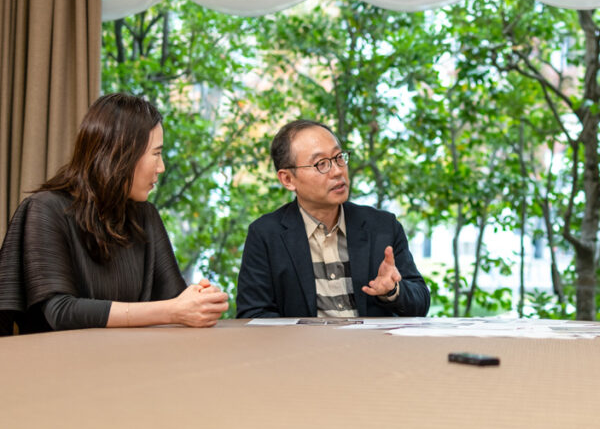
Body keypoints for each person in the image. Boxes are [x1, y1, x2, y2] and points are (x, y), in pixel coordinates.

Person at [0, 93, 229, 334]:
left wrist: (199, 299)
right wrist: (172, 310)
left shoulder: (145, 215)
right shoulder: (45, 209)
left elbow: (173, 297)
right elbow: (60, 311)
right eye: (156, 153)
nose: (161, 167)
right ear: (120, 154)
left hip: (130, 360)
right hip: (59, 364)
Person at [236, 120, 429, 318]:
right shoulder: (266, 234)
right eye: (321, 164)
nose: (337, 171)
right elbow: (253, 314)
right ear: (288, 179)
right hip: (303, 347)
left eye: (338, 158)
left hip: (371, 346)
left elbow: (421, 303)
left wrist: (392, 291)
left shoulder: (382, 226)